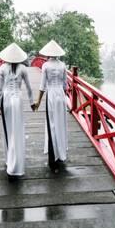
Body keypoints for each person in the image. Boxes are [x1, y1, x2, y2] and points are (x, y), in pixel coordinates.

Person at [0, 42, 36, 179]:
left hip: (6, 100)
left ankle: (9, 160)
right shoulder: (23, 69)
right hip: (18, 100)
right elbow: (30, 88)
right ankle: (17, 162)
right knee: (17, 130)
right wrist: (32, 103)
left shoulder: (2, 68)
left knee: (7, 129)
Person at [34, 40, 68, 173]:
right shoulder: (63, 65)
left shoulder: (46, 65)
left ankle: (52, 161)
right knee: (60, 125)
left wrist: (38, 101)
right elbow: (65, 85)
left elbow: (42, 86)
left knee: (51, 126)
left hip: (52, 96)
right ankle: (61, 155)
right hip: (61, 96)